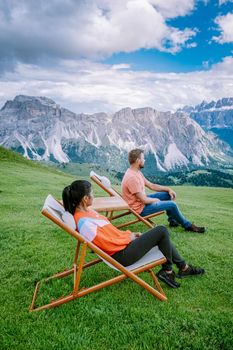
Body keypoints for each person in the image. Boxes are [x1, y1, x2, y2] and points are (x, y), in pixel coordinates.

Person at [62, 180, 205, 289]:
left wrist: (129, 235)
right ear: (85, 199)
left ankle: (183, 268)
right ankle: (168, 271)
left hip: (123, 245)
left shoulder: (89, 212)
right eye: (92, 193)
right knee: (161, 231)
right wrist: (128, 238)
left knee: (161, 235)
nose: (94, 196)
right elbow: (106, 244)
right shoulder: (84, 222)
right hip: (121, 255)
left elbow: (111, 233)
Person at [121, 149, 205, 233]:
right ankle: (187, 226)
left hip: (141, 202)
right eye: (143, 158)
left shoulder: (137, 172)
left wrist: (168, 189)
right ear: (138, 160)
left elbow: (151, 185)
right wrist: (155, 200)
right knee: (172, 204)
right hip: (140, 209)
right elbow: (144, 200)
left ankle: (172, 220)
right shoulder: (132, 178)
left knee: (167, 195)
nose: (144, 160)